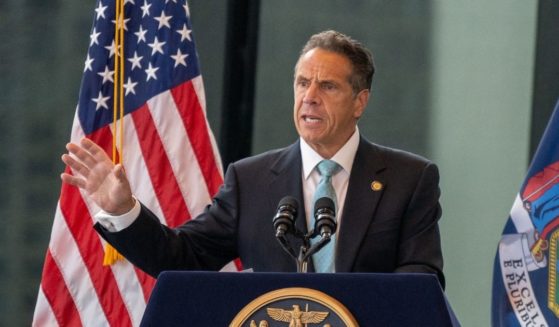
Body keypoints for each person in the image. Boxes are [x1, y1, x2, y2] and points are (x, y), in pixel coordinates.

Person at [62, 30, 444, 287]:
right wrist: (123, 209)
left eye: (327, 86)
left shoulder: (409, 179)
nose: (309, 96)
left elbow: (421, 281)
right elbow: (184, 259)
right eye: (302, 82)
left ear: (360, 102)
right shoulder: (252, 180)